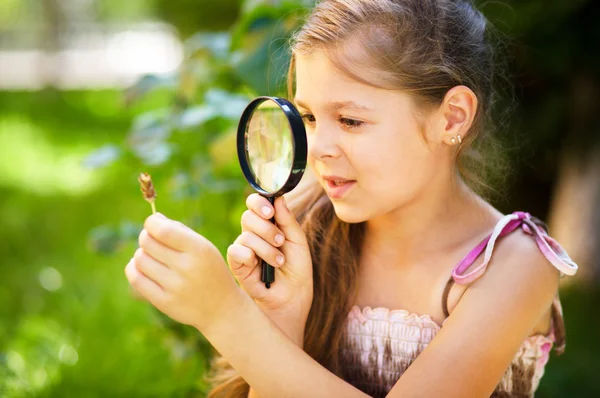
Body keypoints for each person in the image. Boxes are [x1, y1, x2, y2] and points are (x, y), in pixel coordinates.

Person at [124, 0, 579, 397]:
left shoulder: (514, 265)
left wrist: (225, 315)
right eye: (308, 116)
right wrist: (281, 315)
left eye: (350, 121)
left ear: (451, 117)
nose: (318, 147)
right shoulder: (307, 225)